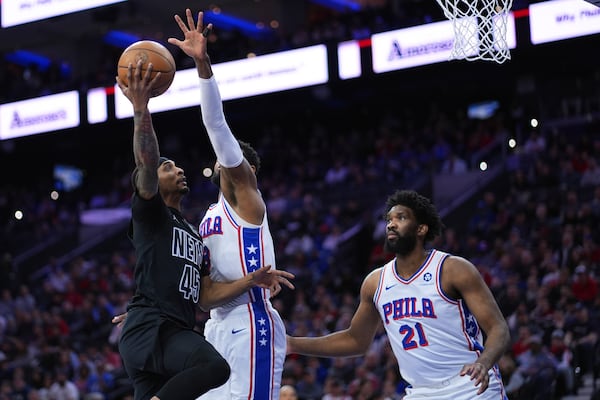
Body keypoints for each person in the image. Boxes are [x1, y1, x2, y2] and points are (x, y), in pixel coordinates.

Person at [114, 54, 294, 400]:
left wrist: (250, 280)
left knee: (209, 375)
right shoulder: (159, 213)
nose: (180, 170)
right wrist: (141, 109)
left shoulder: (204, 227)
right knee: (213, 370)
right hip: (172, 329)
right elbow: (148, 164)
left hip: (205, 325)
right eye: (171, 168)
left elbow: (204, 293)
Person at [166, 9, 290, 400]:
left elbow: (216, 125)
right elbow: (205, 295)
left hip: (252, 323)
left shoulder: (246, 198)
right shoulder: (207, 218)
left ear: (246, 168)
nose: (223, 159)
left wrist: (202, 64)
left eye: (233, 159)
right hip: (216, 327)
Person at [286, 190, 511, 399]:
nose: (391, 225)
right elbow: (355, 340)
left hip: (470, 385)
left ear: (421, 229)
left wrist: (484, 362)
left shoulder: (452, 269)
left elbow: (498, 328)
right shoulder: (375, 282)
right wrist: (293, 344)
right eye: (389, 220)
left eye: (400, 218)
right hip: (420, 392)